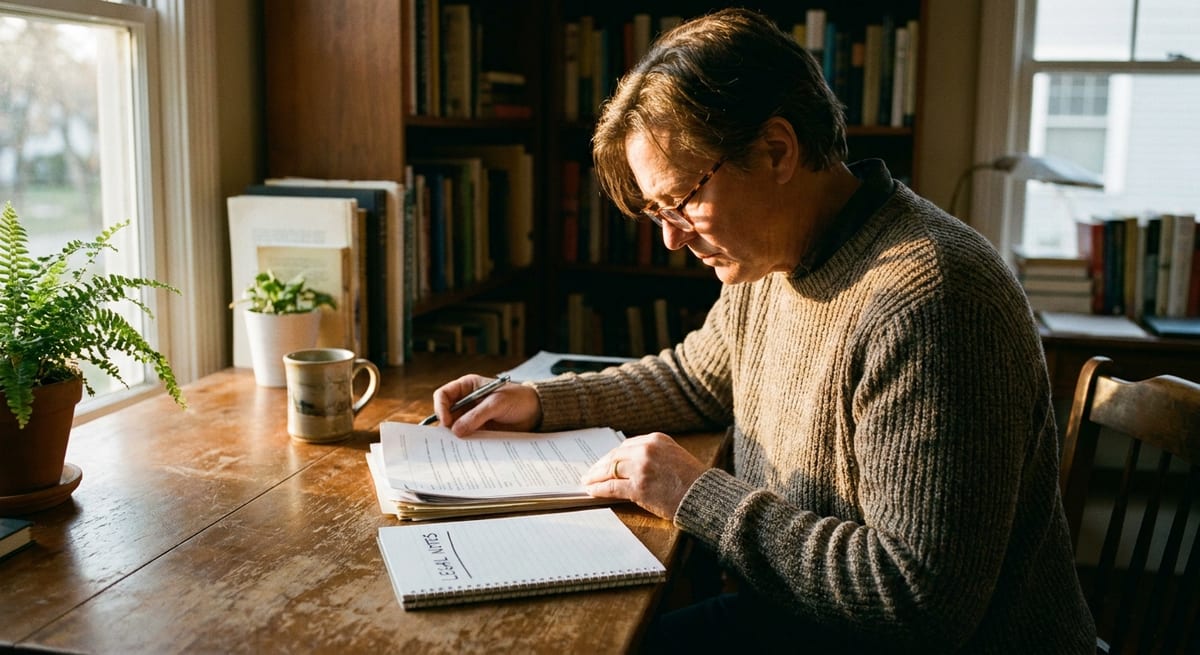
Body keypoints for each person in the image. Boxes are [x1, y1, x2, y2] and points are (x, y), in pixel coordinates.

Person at [429, 8, 1096, 653]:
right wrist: (541, 400)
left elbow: (917, 601)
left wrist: (695, 493)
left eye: (683, 199)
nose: (669, 238)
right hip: (802, 621)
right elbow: (696, 377)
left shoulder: (932, 300)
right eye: (657, 211)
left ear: (776, 149)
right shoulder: (776, 257)